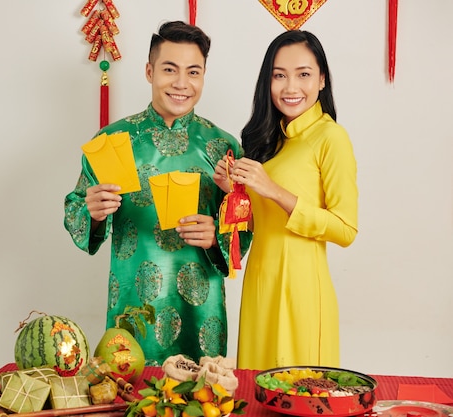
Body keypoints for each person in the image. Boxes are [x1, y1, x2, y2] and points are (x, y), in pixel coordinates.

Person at [64, 21, 252, 365]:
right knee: (130, 398)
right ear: (149, 72)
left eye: (193, 72)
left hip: (202, 306)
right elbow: (76, 208)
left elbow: (245, 225)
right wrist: (91, 212)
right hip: (133, 304)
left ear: (204, 76)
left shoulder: (223, 147)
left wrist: (217, 235)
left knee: (203, 401)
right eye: (170, 69)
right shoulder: (112, 141)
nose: (182, 83)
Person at [214, 30, 358, 369]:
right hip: (260, 284)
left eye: (303, 74)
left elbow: (346, 229)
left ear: (322, 79)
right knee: (255, 391)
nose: (291, 87)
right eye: (279, 76)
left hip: (301, 290)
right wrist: (232, 191)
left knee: (300, 392)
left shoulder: (330, 137)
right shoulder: (270, 139)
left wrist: (274, 190)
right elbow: (260, 221)